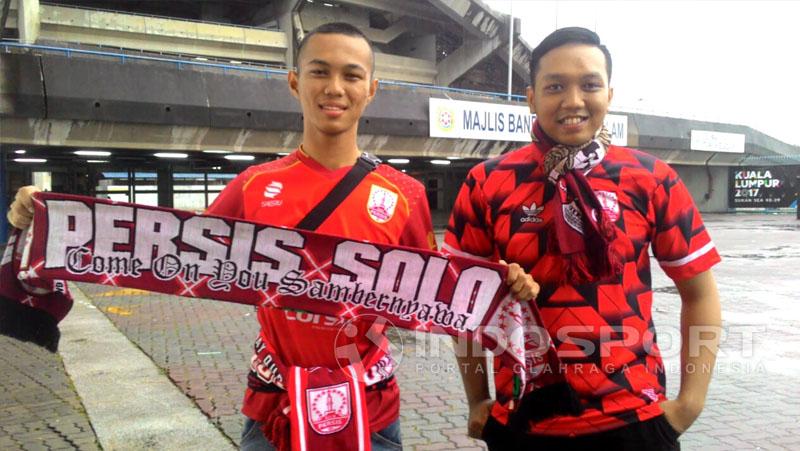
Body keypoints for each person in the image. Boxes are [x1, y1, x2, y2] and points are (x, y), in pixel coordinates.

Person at [6, 22, 537, 451]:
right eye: (319, 72)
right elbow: (170, 251)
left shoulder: (403, 195)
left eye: (352, 75)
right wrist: (52, 223)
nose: (335, 88)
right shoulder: (255, 185)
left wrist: (496, 287)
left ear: (372, 89)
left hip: (374, 411)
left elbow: (441, 297)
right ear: (294, 81)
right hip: (271, 408)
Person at [443, 27, 722, 450]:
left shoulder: (652, 179)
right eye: (555, 86)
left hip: (635, 422)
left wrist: (689, 404)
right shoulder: (487, 183)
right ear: (531, 97)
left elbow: (699, 291)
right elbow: (460, 300)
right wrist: (478, 397)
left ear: (609, 94)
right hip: (525, 422)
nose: (573, 101)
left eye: (589, 85)